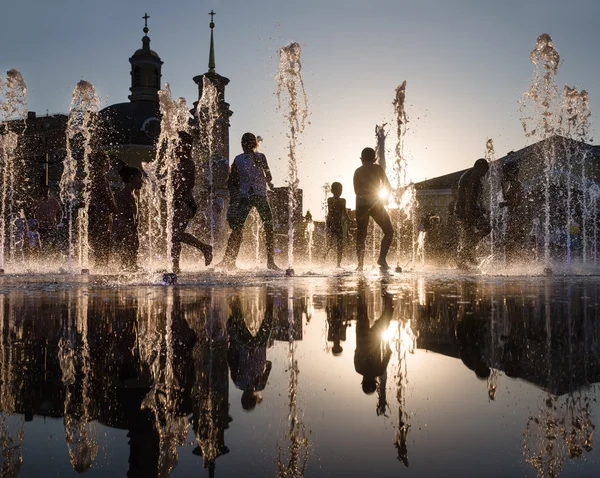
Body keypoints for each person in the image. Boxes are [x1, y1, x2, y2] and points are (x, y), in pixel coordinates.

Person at [218, 133, 280, 270]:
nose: (246, 144)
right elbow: (268, 177)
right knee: (242, 228)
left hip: (252, 196)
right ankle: (230, 260)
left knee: (261, 227)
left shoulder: (255, 157)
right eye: (246, 142)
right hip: (249, 196)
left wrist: (260, 167)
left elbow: (268, 176)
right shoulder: (244, 158)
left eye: (247, 141)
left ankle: (231, 260)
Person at [171, 131, 213, 274]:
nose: (174, 147)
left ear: (185, 146)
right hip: (180, 202)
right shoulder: (180, 163)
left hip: (185, 202)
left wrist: (175, 191)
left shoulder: (188, 163)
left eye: (177, 144)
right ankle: (175, 266)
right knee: (174, 236)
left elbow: (189, 184)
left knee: (175, 234)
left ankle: (204, 247)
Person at [227, 292, 274, 411]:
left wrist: (263, 362)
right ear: (242, 397)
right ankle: (234, 297)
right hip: (245, 346)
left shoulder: (260, 385)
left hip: (259, 346)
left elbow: (269, 366)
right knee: (239, 322)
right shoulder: (237, 382)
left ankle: (270, 298)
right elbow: (232, 361)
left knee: (267, 322)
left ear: (253, 398)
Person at [353, 147, 395, 271]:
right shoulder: (378, 168)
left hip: (361, 205)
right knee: (389, 231)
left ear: (361, 159)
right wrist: (386, 199)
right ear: (375, 158)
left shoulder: (358, 171)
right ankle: (382, 258)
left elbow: (356, 190)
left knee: (361, 234)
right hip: (376, 204)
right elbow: (388, 185)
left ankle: (360, 264)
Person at [354, 281, 394, 397]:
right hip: (361, 335)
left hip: (376, 337)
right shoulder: (358, 368)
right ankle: (361, 285)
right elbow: (357, 350)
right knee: (361, 307)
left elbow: (388, 352)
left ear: (374, 381)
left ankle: (385, 287)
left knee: (388, 313)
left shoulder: (379, 371)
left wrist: (385, 338)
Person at [454, 158, 491, 268]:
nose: (484, 175)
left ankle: (464, 259)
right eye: (484, 172)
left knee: (468, 234)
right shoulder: (473, 174)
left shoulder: (468, 174)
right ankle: (466, 251)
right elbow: (469, 191)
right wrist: (468, 209)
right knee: (486, 228)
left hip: (463, 208)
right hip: (466, 208)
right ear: (478, 168)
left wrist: (482, 209)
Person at [88, 151, 119, 268]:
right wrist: (114, 208)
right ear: (103, 163)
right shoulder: (101, 177)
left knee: (101, 237)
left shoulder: (97, 177)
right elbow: (106, 195)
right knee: (103, 237)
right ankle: (101, 263)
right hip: (102, 211)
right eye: (108, 162)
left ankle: (101, 262)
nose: (110, 165)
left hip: (100, 211)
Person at [113, 165, 144, 271]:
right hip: (126, 231)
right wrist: (126, 232)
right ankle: (126, 272)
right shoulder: (123, 195)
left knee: (132, 255)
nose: (142, 181)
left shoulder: (132, 195)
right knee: (127, 258)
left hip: (131, 230)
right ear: (131, 179)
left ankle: (131, 268)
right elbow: (119, 215)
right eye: (139, 178)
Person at [500, 160, 528, 262]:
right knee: (511, 241)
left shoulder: (516, 184)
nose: (504, 174)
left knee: (511, 240)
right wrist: (503, 185)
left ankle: (513, 263)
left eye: (505, 172)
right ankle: (511, 263)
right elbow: (506, 197)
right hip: (513, 215)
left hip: (517, 216)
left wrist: (504, 204)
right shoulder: (511, 184)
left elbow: (516, 202)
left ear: (512, 172)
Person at [323, 182, 350, 268]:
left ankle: (338, 263)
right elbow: (330, 211)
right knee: (329, 244)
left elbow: (344, 213)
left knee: (340, 245)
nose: (339, 192)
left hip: (339, 225)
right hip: (331, 224)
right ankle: (323, 260)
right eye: (337, 190)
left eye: (341, 190)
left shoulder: (343, 200)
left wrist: (349, 220)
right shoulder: (330, 200)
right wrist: (328, 224)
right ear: (332, 191)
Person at [33, 184, 63, 254]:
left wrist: (58, 221)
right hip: (41, 225)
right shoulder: (38, 201)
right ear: (41, 191)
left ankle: (52, 256)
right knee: (42, 242)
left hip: (51, 225)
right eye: (44, 190)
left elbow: (60, 211)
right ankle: (43, 256)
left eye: (46, 190)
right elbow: (32, 212)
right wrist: (35, 221)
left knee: (53, 243)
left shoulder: (53, 201)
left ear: (48, 191)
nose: (45, 192)